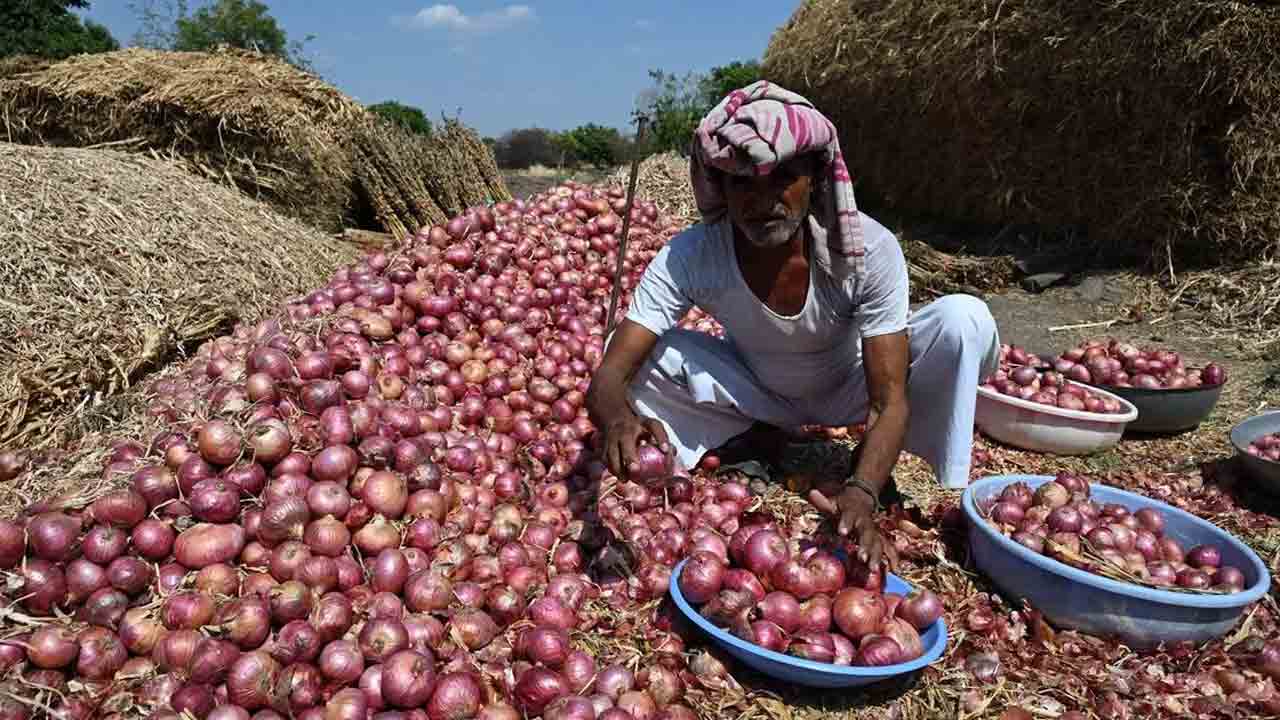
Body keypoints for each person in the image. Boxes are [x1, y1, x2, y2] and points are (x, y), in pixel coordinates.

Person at [586, 81, 999, 569]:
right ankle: (760, 439)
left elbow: (888, 400)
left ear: (815, 179)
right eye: (742, 182)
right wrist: (617, 418)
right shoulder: (693, 254)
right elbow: (610, 374)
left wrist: (862, 491)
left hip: (852, 386)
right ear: (720, 185)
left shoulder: (868, 248)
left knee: (962, 319)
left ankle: (942, 490)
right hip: (759, 390)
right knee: (635, 348)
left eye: (782, 177)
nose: (763, 200)